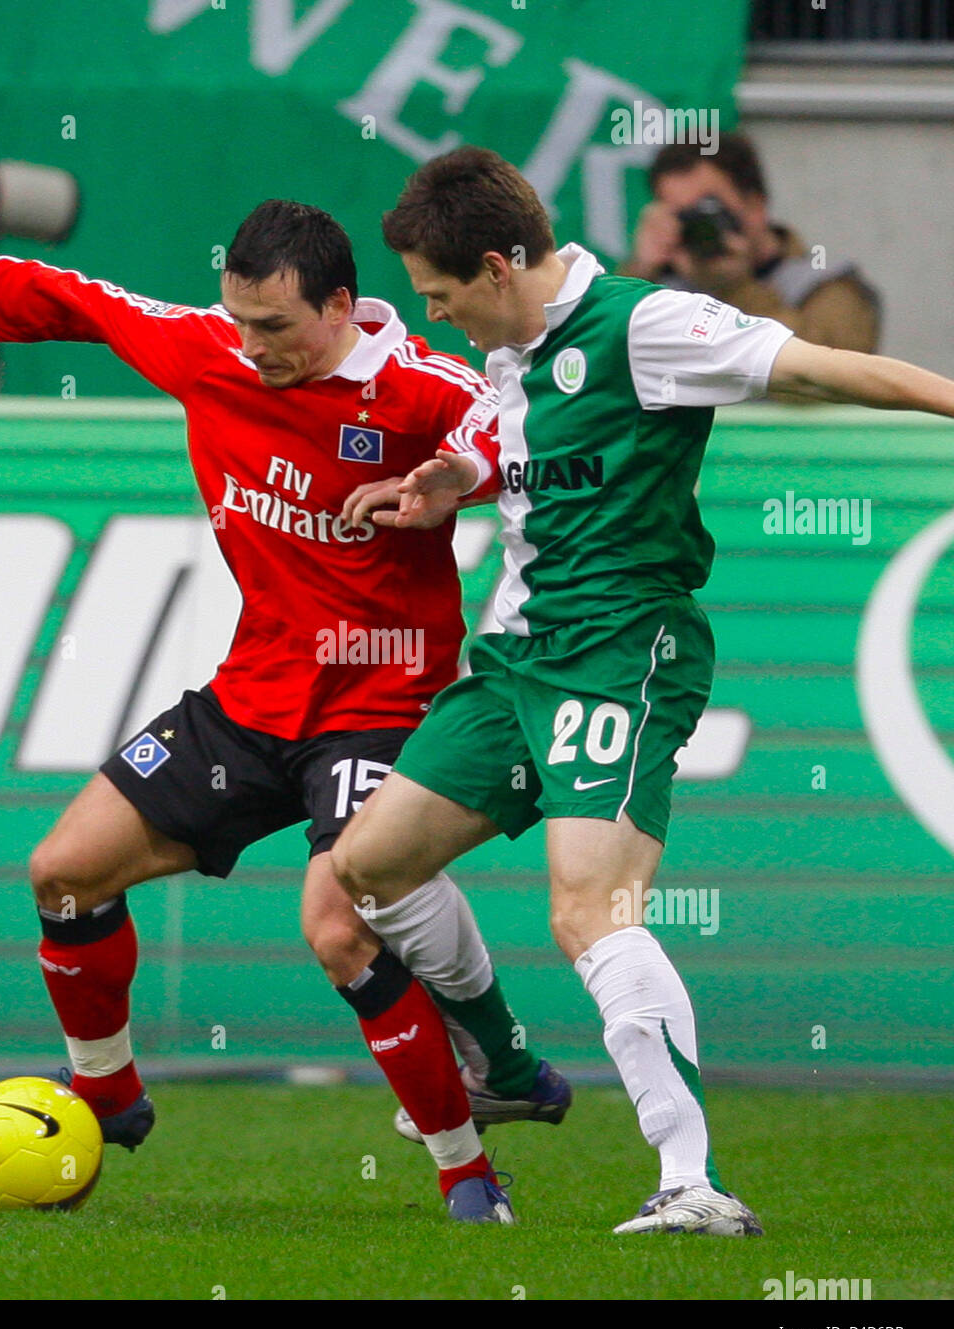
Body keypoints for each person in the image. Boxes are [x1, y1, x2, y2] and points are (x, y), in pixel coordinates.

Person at [0, 200, 572, 1224]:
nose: (251, 346)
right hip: (250, 697)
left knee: (334, 925)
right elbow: (75, 299)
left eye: (276, 327)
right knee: (63, 871)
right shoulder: (209, 352)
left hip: (379, 702)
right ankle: (107, 1092)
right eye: (239, 321)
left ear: (343, 306)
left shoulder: (418, 391)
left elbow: (513, 412)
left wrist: (451, 477)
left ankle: (466, 1171)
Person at [332, 144, 954, 1235]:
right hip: (515, 657)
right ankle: (508, 1064)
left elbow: (821, 366)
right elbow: (517, 445)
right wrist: (451, 483)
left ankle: (691, 1182)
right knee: (367, 867)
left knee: (590, 910)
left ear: (493, 264)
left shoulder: (645, 325)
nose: (437, 320)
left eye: (439, 297)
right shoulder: (513, 347)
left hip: (623, 650)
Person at [619, 131, 880, 355]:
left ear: (755, 205)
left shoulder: (826, 286)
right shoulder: (658, 292)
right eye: (683, 216)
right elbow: (594, 367)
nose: (698, 226)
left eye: (708, 210)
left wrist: (737, 290)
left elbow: (828, 378)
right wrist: (639, 274)